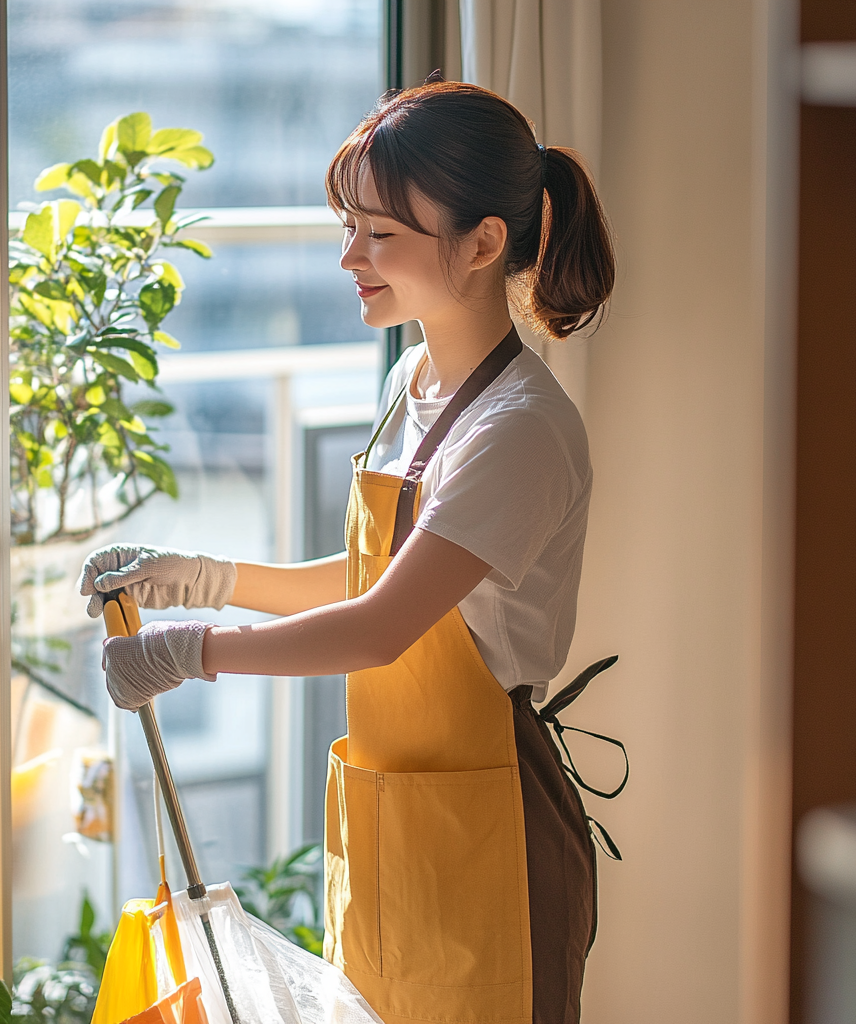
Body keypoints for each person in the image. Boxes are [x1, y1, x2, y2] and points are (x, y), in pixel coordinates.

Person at [79, 80, 616, 1024]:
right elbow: (384, 580)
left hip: (491, 833)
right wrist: (202, 577)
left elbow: (379, 627)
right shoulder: (417, 379)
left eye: (380, 234)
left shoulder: (519, 430)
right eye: (348, 226)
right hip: (390, 819)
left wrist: (193, 649)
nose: (348, 257)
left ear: (484, 244)